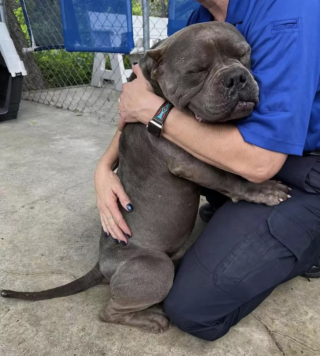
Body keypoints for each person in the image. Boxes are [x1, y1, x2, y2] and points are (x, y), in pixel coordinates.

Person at [94, 0, 320, 341]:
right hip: (238, 154)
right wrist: (104, 167)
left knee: (193, 310)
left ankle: (309, 247)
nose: (231, 73)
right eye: (198, 72)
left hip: (298, 165)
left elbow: (260, 165)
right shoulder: (199, 19)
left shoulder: (290, 10)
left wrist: (157, 114)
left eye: (241, 57)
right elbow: (140, 100)